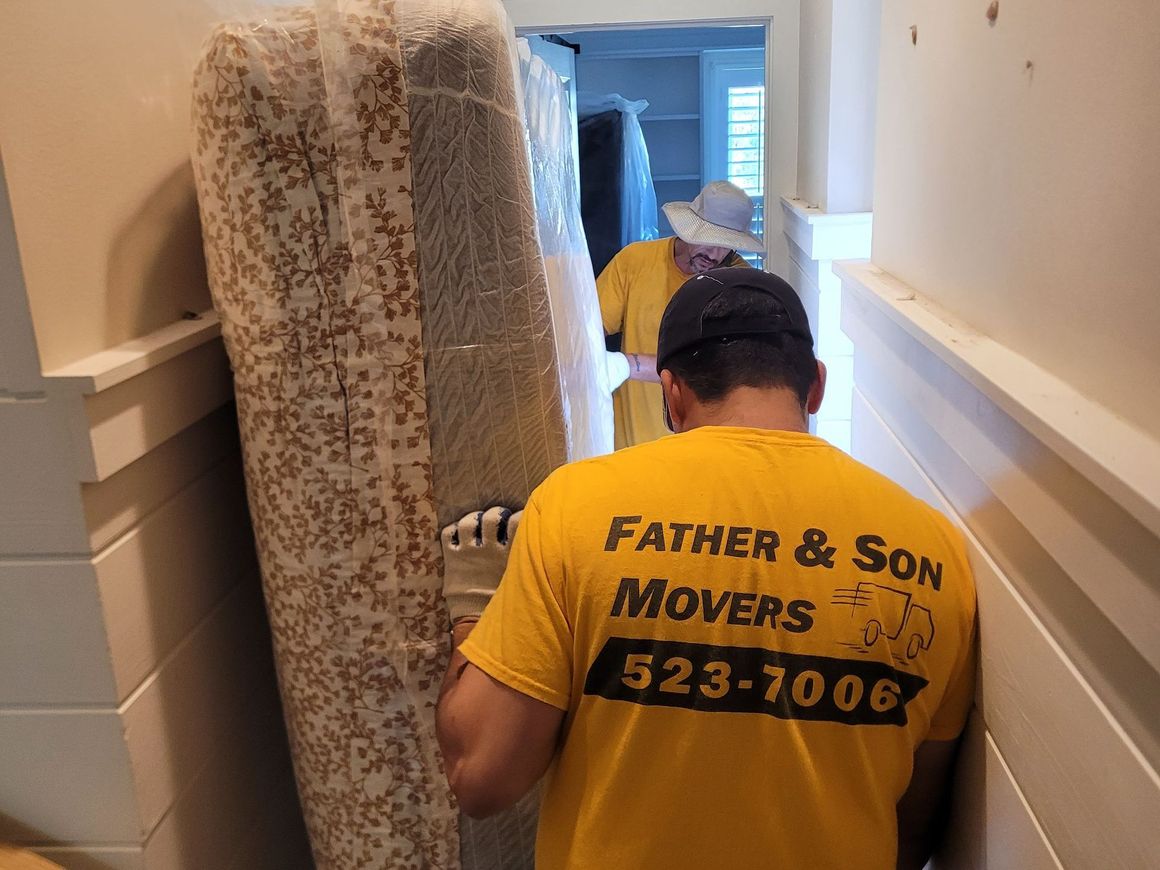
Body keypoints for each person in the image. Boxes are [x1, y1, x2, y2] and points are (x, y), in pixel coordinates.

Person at [436, 268, 978, 870]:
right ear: (816, 387)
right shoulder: (937, 550)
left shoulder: (577, 507)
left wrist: (475, 609)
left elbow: (481, 776)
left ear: (671, 393)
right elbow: (916, 825)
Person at [598, 180, 762, 449]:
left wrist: (624, 365)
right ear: (689, 227)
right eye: (708, 238)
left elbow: (711, 367)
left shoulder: (739, 286)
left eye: (727, 245)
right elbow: (588, 331)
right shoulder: (634, 262)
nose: (714, 254)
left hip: (700, 453)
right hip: (631, 447)